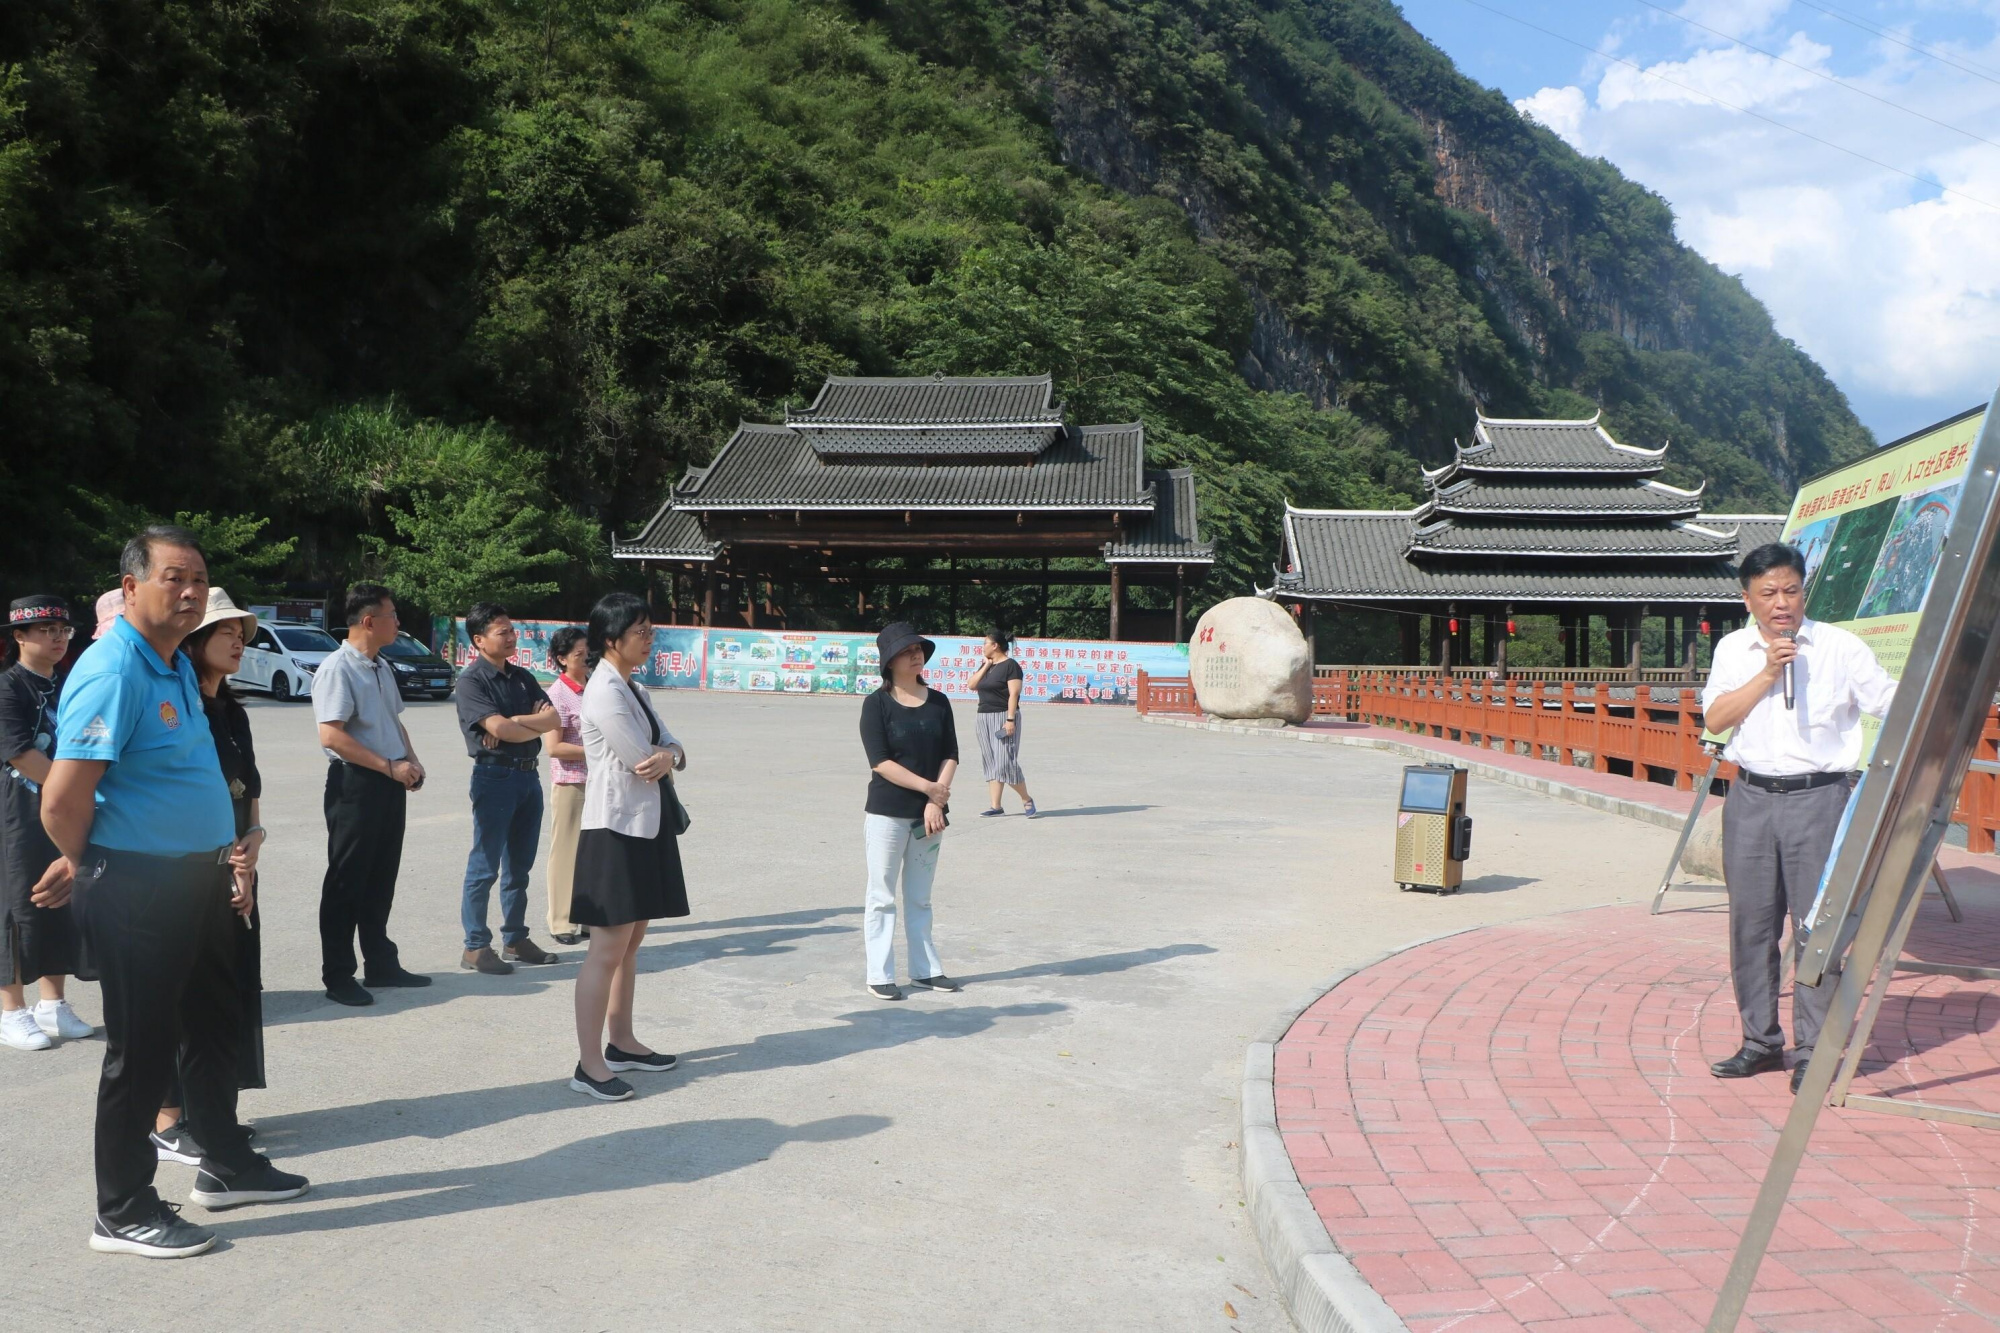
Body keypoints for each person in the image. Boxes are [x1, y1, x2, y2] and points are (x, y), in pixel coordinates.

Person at [42, 526, 307, 1260]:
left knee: (212, 1025)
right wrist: (88, 861)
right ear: (130, 587)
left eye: (198, 579)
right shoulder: (113, 670)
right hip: (136, 888)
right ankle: (121, 1208)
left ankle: (225, 1161)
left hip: (196, 876)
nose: (189, 592)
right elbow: (62, 800)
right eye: (173, 578)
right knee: (143, 1050)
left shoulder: (170, 666)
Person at [1700, 542, 1896, 1095]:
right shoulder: (1734, 651)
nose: (1781, 603)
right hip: (1752, 799)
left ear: (1803, 590)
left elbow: (1890, 699)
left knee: (1815, 927)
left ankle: (1814, 1049)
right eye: (1768, 593)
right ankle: (1760, 1042)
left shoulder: (1840, 647)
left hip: (1821, 799)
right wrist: (1766, 673)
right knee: (1751, 926)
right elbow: (1716, 717)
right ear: (1748, 599)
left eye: (1790, 590)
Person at [151, 590, 269, 1164]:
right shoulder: (179, 707)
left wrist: (251, 848)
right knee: (182, 995)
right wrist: (229, 860)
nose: (239, 640)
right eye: (227, 632)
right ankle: (169, 1118)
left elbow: (250, 799)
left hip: (236, 867)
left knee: (228, 992)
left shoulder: (234, 711)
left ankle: (214, 1111)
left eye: (242, 633)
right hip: (189, 870)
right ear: (194, 641)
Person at [569, 593, 688, 1102]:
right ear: (611, 640)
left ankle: (622, 1041)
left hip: (645, 825)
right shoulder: (604, 692)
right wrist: (668, 754)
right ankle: (589, 1064)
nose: (650, 637)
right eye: (641, 631)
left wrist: (671, 753)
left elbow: (672, 746)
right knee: (607, 948)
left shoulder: (632, 687)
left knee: (631, 943)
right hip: (613, 829)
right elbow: (643, 758)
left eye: (650, 629)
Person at [313, 584, 431, 1007]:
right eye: (392, 615)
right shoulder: (337, 669)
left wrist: (409, 762)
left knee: (381, 877)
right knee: (347, 880)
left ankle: (381, 963)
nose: (398, 623)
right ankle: (338, 974)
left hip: (388, 782)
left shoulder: (380, 666)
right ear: (368, 621)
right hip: (355, 786)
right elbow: (332, 735)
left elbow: (394, 722)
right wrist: (388, 766)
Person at [1, 595, 94, 1051]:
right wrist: (73, 790)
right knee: (16, 905)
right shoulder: (8, 687)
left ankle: (52, 1003)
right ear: (19, 636)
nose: (57, 637)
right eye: (44, 630)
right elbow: (19, 751)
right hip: (17, 811)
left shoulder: (66, 684)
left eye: (63, 630)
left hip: (60, 810)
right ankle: (10, 1010)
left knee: (60, 897)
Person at [454, 602, 563, 974]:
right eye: (503, 632)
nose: (512, 637)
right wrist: (516, 725)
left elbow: (553, 718)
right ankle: (475, 947)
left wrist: (515, 722)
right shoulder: (471, 681)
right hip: (494, 776)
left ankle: (515, 939)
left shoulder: (522, 677)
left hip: (528, 776)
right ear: (479, 640)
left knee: (519, 866)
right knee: (485, 866)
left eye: (512, 630)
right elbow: (500, 730)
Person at [857, 622, 960, 1001]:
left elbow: (952, 753)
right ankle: (879, 974)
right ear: (889, 661)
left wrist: (936, 801)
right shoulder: (876, 704)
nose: (915, 654)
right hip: (887, 813)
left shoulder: (939, 701)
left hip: (930, 816)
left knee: (920, 897)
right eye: (906, 650)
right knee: (881, 896)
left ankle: (925, 971)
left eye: (918, 648)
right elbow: (880, 762)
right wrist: (928, 789)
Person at [544, 627, 590, 945]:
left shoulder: (598, 688)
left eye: (589, 650)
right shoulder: (557, 695)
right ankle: (561, 921)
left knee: (595, 853)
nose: (587, 657)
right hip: (571, 783)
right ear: (562, 659)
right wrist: (597, 751)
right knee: (566, 852)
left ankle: (590, 917)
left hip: (601, 782)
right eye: (579, 653)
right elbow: (554, 747)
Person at [967, 628, 1036, 818]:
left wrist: (1010, 719)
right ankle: (995, 806)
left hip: (1003, 716)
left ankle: (1026, 798)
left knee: (1005, 761)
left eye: (985, 643)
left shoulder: (1011, 666)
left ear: (995, 645)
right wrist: (985, 666)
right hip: (983, 716)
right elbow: (971, 685)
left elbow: (1014, 694)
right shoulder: (987, 666)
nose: (982, 647)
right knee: (990, 761)